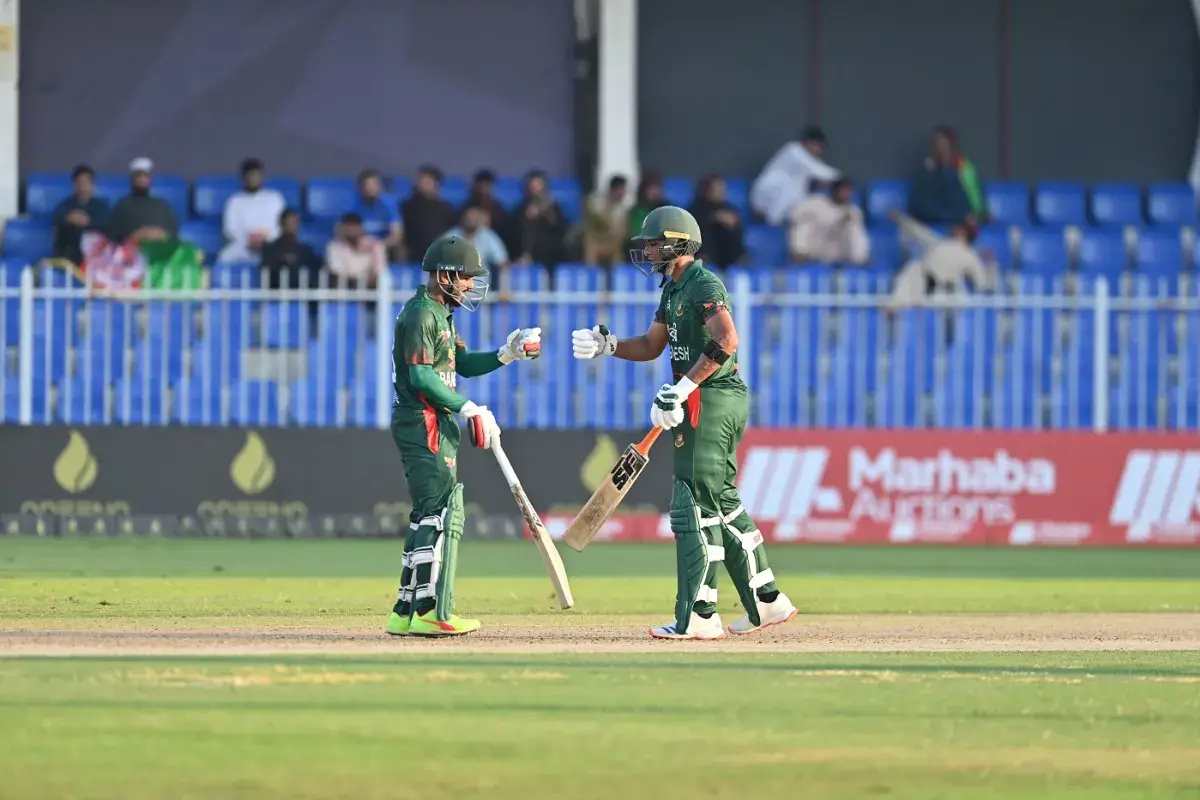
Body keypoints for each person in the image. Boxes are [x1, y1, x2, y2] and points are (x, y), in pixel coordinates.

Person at [570, 206, 796, 640]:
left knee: (691, 504)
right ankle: (767, 601)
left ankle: (699, 615)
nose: (648, 250)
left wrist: (684, 388)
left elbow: (727, 340)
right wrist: (610, 344)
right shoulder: (672, 290)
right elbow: (653, 345)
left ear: (678, 244)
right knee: (721, 502)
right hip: (705, 399)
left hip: (710, 399)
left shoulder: (703, 283)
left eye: (655, 243)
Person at [385, 235, 543, 637]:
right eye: (466, 277)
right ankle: (430, 610)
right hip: (424, 421)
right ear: (444, 275)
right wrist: (467, 407)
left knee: (427, 512)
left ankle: (405, 610)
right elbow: (421, 376)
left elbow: (465, 365)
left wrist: (506, 354)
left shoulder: (441, 314)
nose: (471, 285)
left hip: (435, 419)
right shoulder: (421, 314)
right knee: (440, 513)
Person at [886, 209, 996, 309]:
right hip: (922, 288)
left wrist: (991, 266)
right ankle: (895, 306)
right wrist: (900, 218)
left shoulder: (970, 255)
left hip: (946, 295)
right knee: (913, 268)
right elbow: (918, 231)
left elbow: (982, 283)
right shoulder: (938, 242)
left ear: (962, 232)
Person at [751, 125, 840, 226]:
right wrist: (841, 179)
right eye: (818, 146)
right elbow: (822, 172)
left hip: (783, 206)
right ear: (808, 143)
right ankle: (773, 225)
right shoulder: (794, 150)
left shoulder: (806, 160)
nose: (820, 151)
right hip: (766, 199)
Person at [907, 125, 985, 226]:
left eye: (944, 145)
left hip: (958, 224)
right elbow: (917, 206)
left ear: (952, 146)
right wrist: (929, 173)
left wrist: (977, 215)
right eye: (937, 144)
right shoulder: (926, 170)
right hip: (929, 223)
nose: (940, 149)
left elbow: (976, 206)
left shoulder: (964, 168)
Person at [218, 158, 286, 262]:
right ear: (243, 178)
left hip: (270, 245)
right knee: (224, 258)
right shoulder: (234, 201)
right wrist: (250, 240)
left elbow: (280, 227)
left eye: (256, 175)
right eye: (250, 176)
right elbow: (230, 229)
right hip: (243, 245)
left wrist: (264, 240)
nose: (253, 179)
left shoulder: (275, 198)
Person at [789, 178, 870, 264]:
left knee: (853, 225)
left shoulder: (853, 210)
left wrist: (844, 221)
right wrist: (836, 221)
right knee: (806, 222)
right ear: (836, 190)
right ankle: (799, 257)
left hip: (838, 251)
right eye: (843, 190)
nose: (846, 194)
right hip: (816, 246)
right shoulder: (816, 203)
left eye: (848, 191)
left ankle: (860, 263)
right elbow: (794, 215)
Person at [106, 158, 179, 244]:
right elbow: (113, 235)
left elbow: (172, 232)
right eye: (138, 176)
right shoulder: (122, 206)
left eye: (145, 176)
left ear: (150, 179)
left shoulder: (162, 205)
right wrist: (135, 236)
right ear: (132, 179)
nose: (142, 180)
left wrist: (159, 234)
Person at [51, 165, 110, 265]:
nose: (82, 187)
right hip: (69, 257)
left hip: (96, 258)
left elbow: (107, 222)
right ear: (74, 185)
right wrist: (69, 218)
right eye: (79, 183)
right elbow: (56, 217)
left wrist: (88, 222)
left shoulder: (102, 206)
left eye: (86, 183)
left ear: (92, 185)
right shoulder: (66, 204)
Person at [400, 165, 458, 263]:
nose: (422, 184)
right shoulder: (408, 206)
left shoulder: (445, 208)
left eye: (427, 181)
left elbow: (452, 232)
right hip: (414, 253)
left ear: (436, 183)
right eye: (420, 180)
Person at [512, 170, 567, 270]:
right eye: (532, 187)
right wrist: (526, 219)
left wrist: (544, 214)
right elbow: (513, 234)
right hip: (525, 260)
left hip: (552, 258)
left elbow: (561, 231)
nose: (535, 191)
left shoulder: (555, 209)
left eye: (538, 187)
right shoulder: (520, 210)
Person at [688, 174, 745, 268]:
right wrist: (713, 217)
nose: (721, 191)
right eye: (718, 188)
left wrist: (732, 222)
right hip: (703, 254)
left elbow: (737, 221)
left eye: (723, 188)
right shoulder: (696, 207)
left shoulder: (728, 207)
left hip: (726, 254)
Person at [261, 209, 322, 290]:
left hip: (302, 293)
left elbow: (319, 266)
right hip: (278, 293)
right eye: (289, 222)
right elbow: (267, 272)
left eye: (295, 222)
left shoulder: (304, 250)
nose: (293, 226)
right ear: (282, 224)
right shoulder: (270, 249)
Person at [325, 212, 386, 289]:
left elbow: (379, 269)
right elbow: (336, 270)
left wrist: (370, 278)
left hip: (369, 287)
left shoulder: (374, 245)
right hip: (344, 285)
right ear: (343, 228)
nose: (352, 230)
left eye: (354, 226)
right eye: (349, 226)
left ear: (361, 228)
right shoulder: (334, 246)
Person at [443, 205, 509, 273]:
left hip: (480, 281)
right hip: (455, 280)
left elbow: (502, 261)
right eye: (469, 218)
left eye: (475, 218)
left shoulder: (487, 236)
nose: (472, 221)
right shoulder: (451, 235)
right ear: (463, 218)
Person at [352, 169, 403, 256]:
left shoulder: (389, 204)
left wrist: (379, 245)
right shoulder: (354, 206)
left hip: (384, 248)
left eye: (373, 185)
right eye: (366, 185)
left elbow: (397, 235)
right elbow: (345, 231)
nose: (370, 189)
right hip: (360, 248)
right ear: (360, 187)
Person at [582, 175, 630, 268]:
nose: (624, 193)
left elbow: (623, 231)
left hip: (613, 246)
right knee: (591, 245)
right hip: (596, 242)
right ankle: (591, 274)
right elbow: (600, 221)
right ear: (615, 190)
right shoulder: (596, 203)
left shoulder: (621, 209)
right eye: (623, 190)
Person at [627, 171, 666, 247]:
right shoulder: (638, 212)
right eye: (652, 188)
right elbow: (636, 235)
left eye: (657, 188)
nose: (656, 192)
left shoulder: (664, 209)